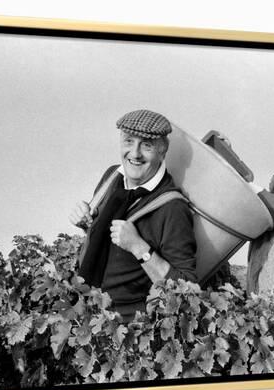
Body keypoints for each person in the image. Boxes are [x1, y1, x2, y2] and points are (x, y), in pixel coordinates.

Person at [69, 109, 197, 321]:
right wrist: (86, 223)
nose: (135, 153)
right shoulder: (112, 177)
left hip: (130, 331)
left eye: (146, 145)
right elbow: (104, 241)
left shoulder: (173, 208)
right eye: (129, 142)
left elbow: (188, 290)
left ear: (163, 151)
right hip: (89, 313)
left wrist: (140, 248)